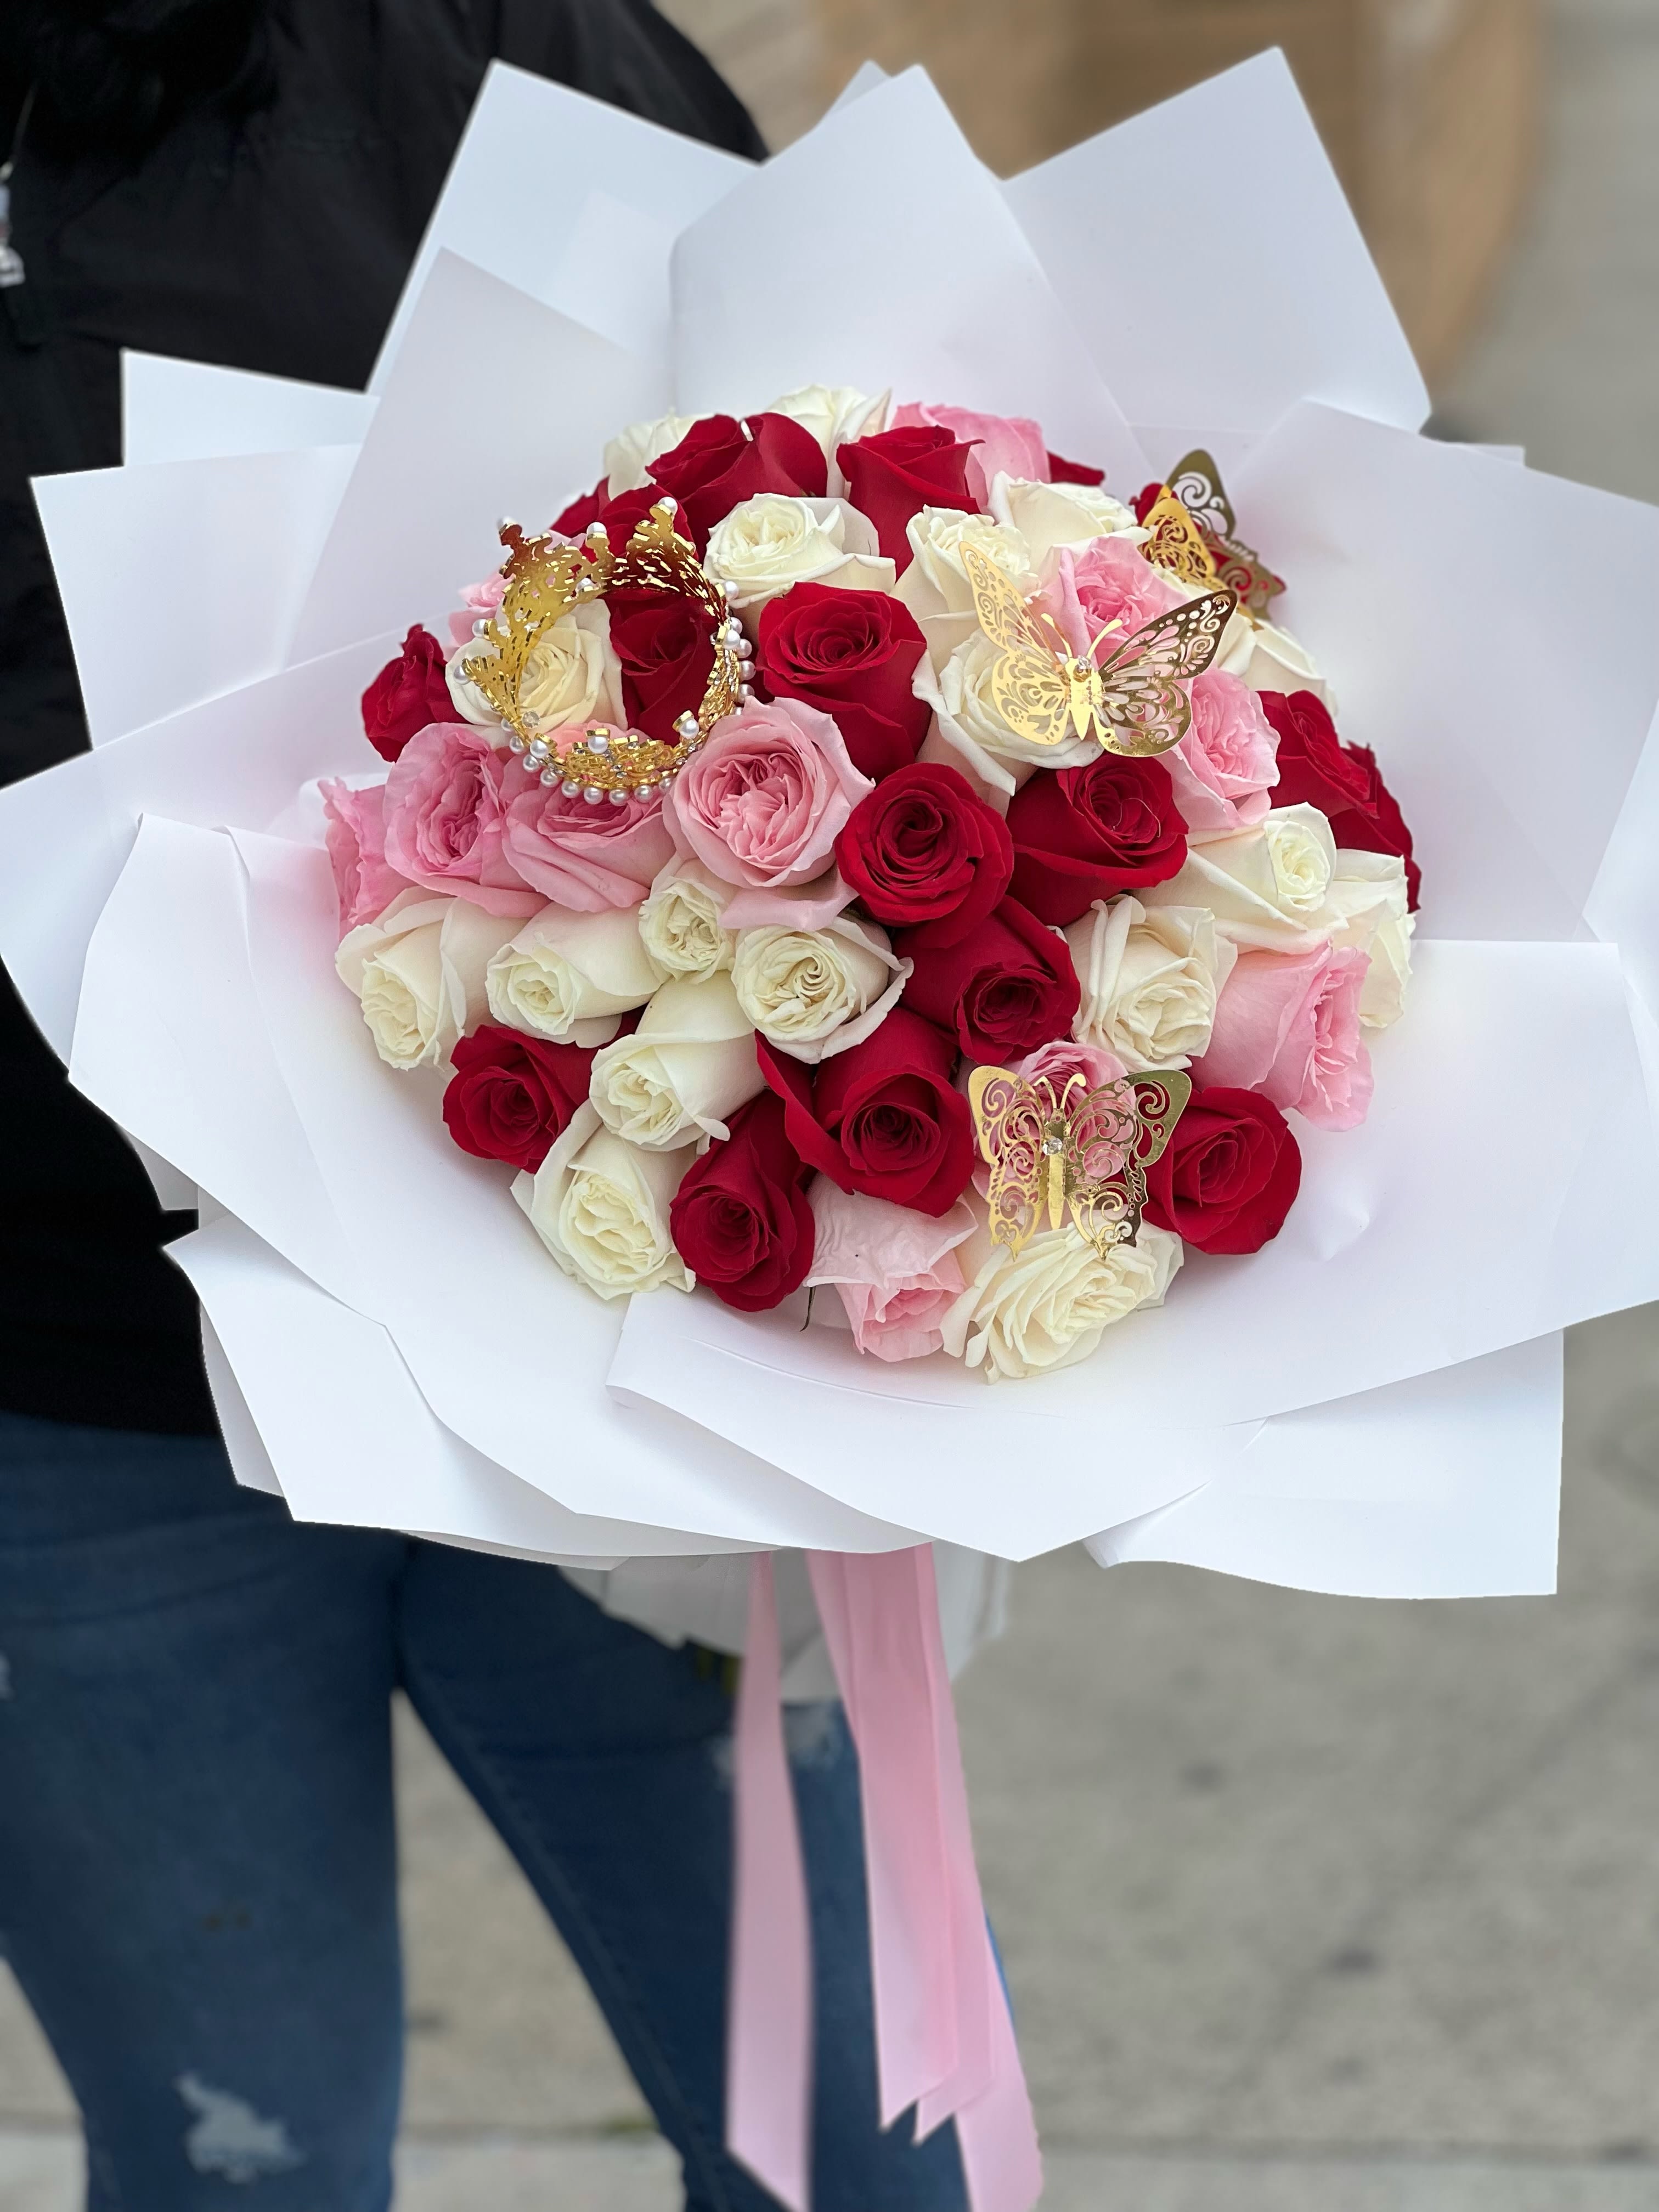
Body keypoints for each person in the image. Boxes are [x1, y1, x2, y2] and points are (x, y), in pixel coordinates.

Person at [0, 7, 970, 2207]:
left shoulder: (504, 44)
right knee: (238, 2161)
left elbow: (827, 511)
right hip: (67, 1391)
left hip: (598, 1331)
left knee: (868, 2148)